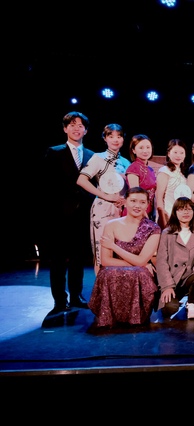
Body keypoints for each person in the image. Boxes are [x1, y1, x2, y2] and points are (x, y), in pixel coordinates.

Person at [42, 111, 95, 315]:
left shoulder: (91, 155)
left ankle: (76, 295)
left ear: (86, 130)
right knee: (58, 260)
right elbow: (46, 186)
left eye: (80, 125)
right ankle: (59, 300)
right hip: (60, 216)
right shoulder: (54, 152)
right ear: (65, 128)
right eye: (72, 125)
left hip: (84, 214)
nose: (76, 128)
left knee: (78, 259)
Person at [88, 187, 161, 328]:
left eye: (142, 202)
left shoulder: (153, 228)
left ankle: (136, 316)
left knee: (140, 273)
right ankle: (108, 316)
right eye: (133, 201)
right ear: (125, 202)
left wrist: (114, 247)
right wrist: (138, 264)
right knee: (107, 273)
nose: (137, 205)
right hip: (120, 269)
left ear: (147, 204)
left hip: (140, 273)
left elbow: (142, 260)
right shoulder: (111, 225)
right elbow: (105, 261)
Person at [77, 123, 131, 274]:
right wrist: (105, 196)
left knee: (120, 250)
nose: (115, 139)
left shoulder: (126, 162)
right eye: (111, 136)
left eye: (119, 136)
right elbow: (81, 180)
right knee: (101, 250)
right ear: (105, 138)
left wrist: (125, 200)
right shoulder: (98, 158)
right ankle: (101, 288)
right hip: (103, 208)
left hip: (122, 209)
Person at [156, 197, 194, 320]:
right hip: (172, 281)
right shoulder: (167, 233)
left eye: (189, 209)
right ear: (175, 212)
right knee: (170, 308)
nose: (185, 212)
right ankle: (177, 297)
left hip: (188, 279)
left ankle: (191, 302)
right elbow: (161, 261)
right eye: (181, 209)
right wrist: (167, 286)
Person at [156, 139, 188, 230]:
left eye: (181, 153)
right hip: (168, 214)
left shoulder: (182, 174)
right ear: (169, 154)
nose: (178, 155)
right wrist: (162, 216)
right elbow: (159, 197)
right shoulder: (165, 171)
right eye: (175, 152)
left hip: (181, 214)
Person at [123, 134, 157, 220]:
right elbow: (135, 194)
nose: (145, 151)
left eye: (148, 147)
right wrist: (144, 215)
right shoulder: (133, 168)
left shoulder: (150, 169)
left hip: (148, 210)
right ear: (134, 150)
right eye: (141, 148)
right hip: (136, 212)